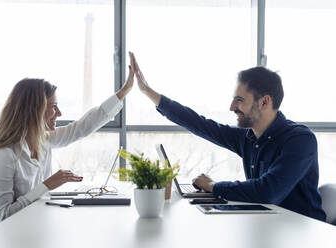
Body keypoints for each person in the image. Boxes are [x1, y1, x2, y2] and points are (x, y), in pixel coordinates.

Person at [129, 52, 326, 221]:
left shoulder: (300, 140)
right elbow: (201, 124)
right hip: (267, 225)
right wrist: (147, 91)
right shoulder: (249, 138)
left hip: (303, 232)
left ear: (264, 102)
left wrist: (214, 186)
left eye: (239, 100)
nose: (232, 107)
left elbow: (269, 191)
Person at [0, 60, 134, 238]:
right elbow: (1, 217)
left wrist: (123, 92)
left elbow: (81, 128)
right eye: (53, 106)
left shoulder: (43, 140)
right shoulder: (3, 152)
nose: (59, 113)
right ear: (35, 110)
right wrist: (46, 186)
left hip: (23, 227)